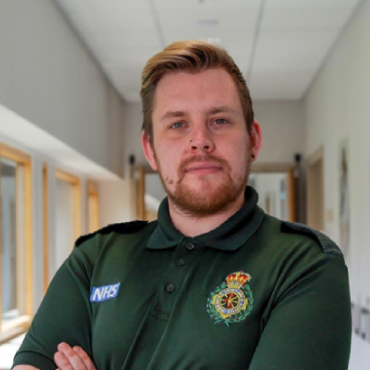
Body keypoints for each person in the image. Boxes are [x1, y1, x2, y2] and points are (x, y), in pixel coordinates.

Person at [12, 40, 351, 370]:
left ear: (253, 139)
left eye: (219, 120)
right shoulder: (95, 257)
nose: (200, 140)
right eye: (177, 124)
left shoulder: (305, 264)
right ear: (150, 150)